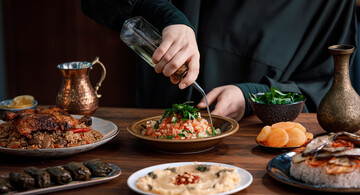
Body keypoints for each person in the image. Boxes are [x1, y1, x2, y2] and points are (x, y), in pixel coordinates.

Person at [81, 0, 356, 121]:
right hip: (159, 133)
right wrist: (169, 16)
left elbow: (326, 90)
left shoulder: (331, 5)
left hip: (261, 152)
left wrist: (252, 97)